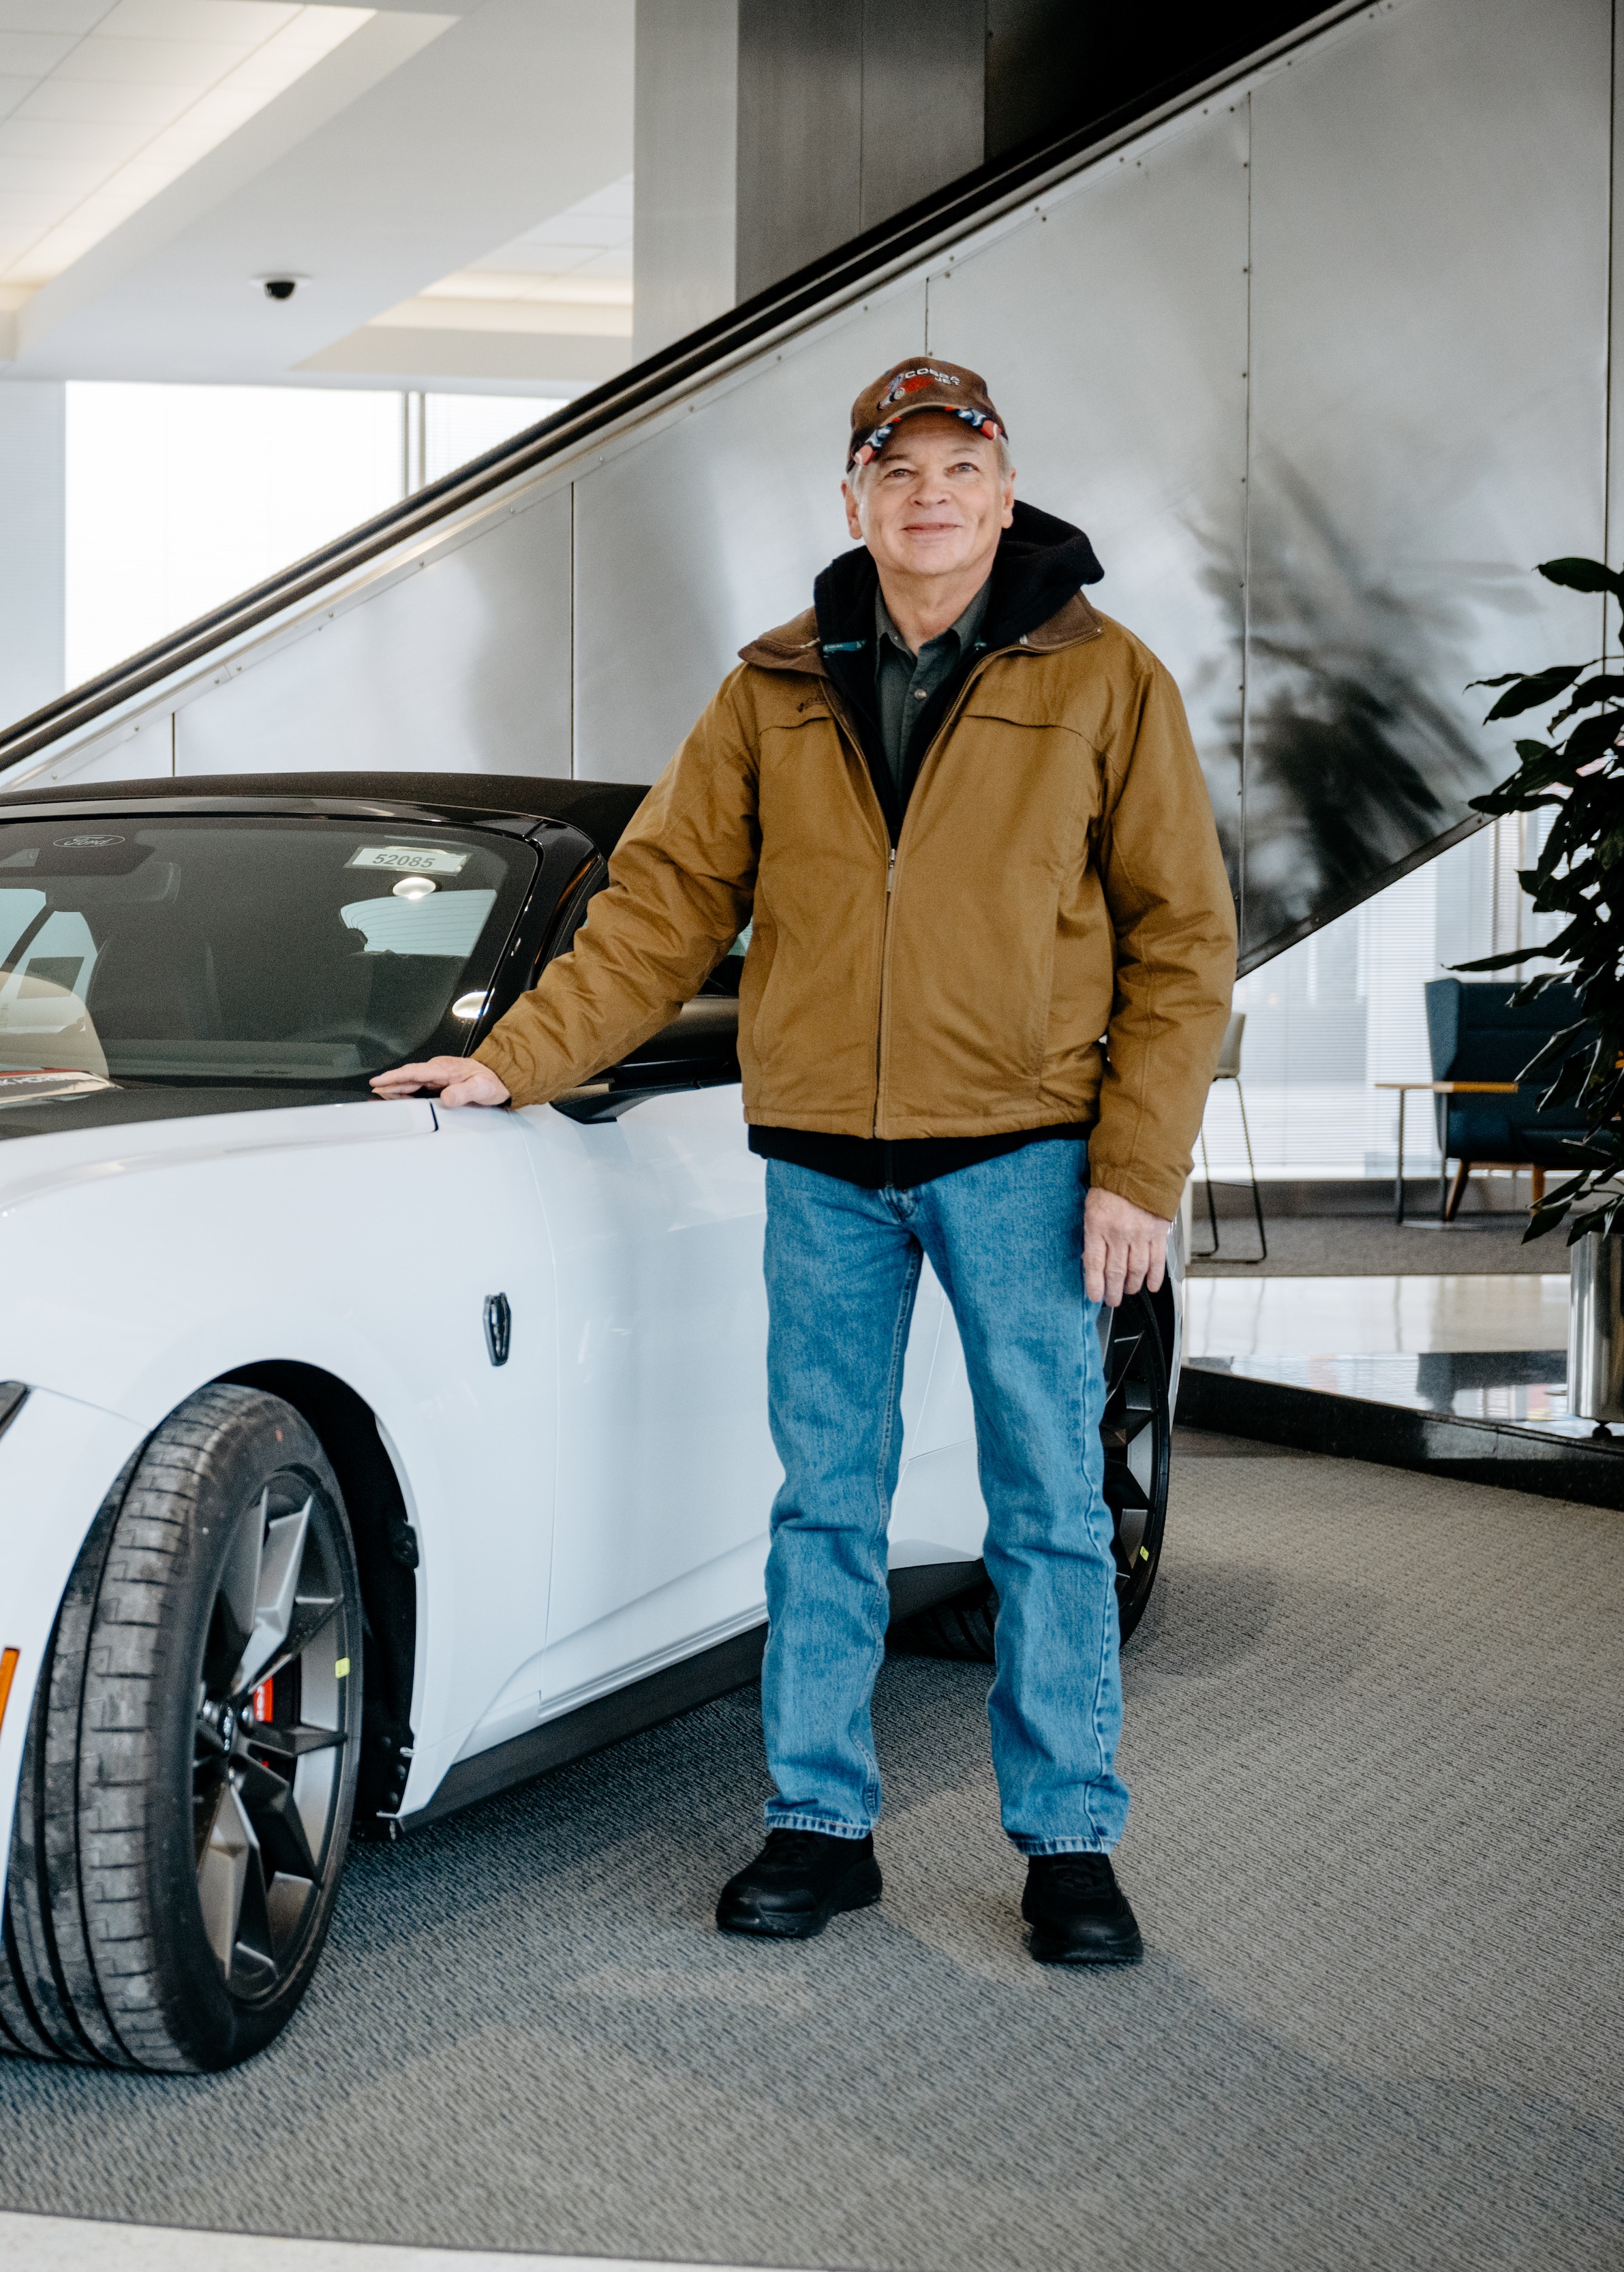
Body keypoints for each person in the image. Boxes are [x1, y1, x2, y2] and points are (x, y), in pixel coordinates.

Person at [373, 358, 1234, 1965]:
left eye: (955, 467)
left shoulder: (1105, 679)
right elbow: (660, 905)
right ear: (852, 497)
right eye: (893, 468)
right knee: (822, 1503)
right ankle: (819, 1824)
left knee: (1043, 1507)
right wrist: (510, 1062)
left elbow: (1182, 940)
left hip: (1026, 1157)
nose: (927, 495)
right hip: (824, 1161)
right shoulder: (772, 683)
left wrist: (1139, 1166)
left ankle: (1068, 1844)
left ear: (1001, 484)